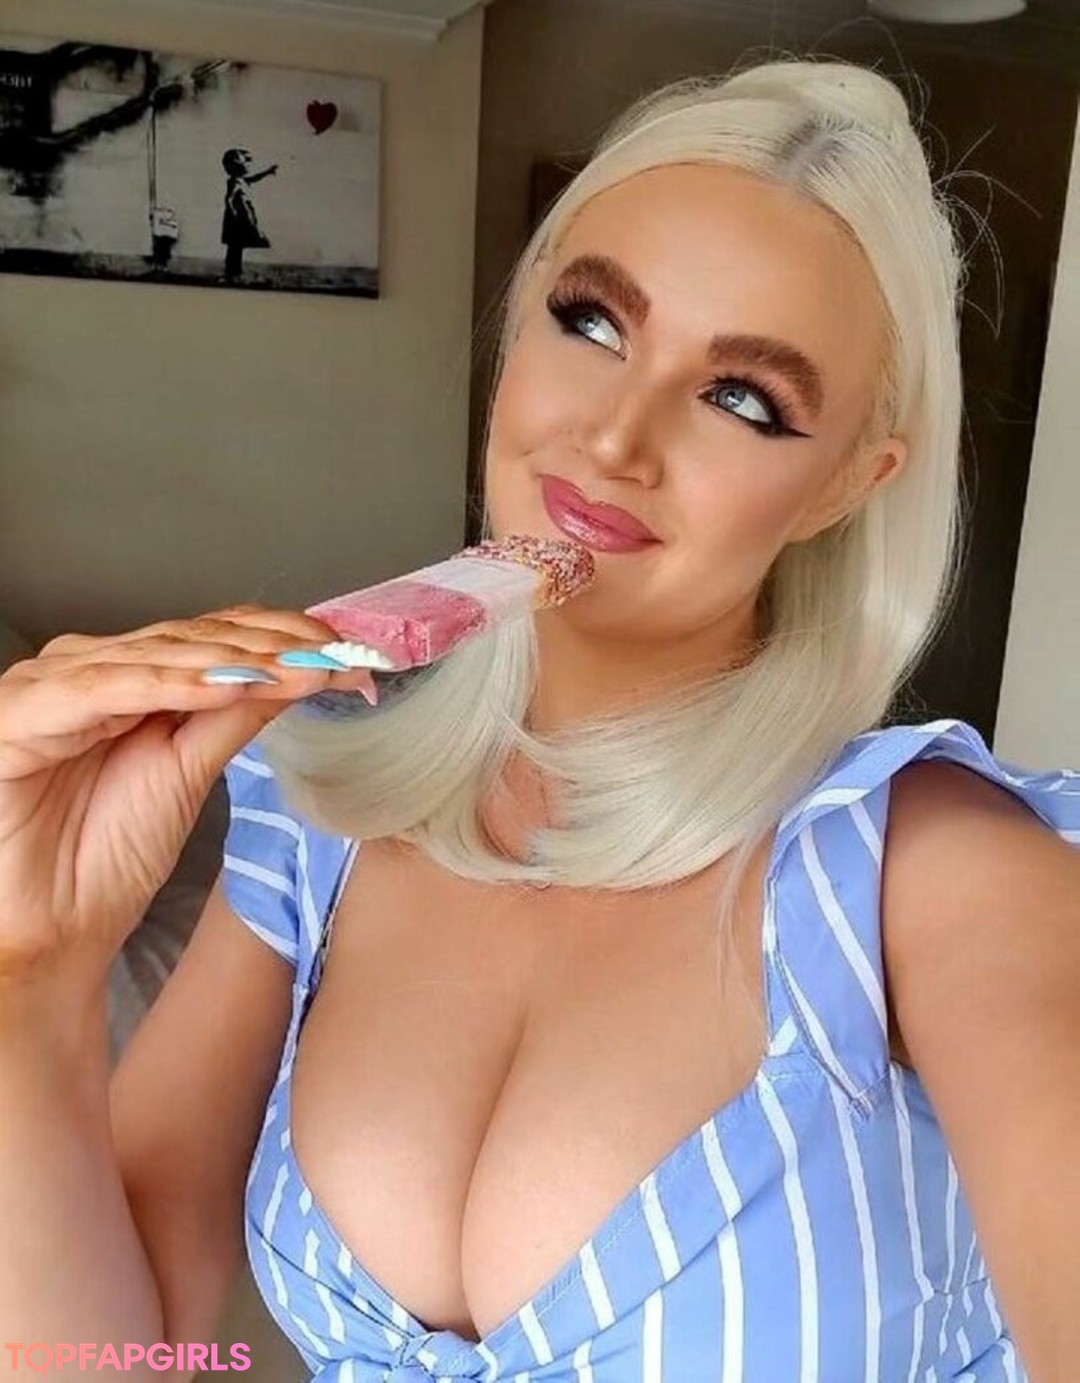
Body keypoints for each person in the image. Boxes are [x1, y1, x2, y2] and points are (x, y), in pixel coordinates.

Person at [0, 56, 1076, 1383]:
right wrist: (32, 982)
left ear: (847, 484)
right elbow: (107, 1362)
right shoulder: (318, 818)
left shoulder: (941, 877)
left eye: (743, 399)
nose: (616, 438)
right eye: (593, 323)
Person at [220, 146, 277, 281]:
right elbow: (229, 198)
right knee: (235, 246)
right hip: (237, 219)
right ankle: (232, 273)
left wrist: (267, 172)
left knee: (237, 246)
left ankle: (234, 272)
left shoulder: (241, 180)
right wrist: (233, 211)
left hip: (242, 217)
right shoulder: (235, 182)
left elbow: (254, 178)